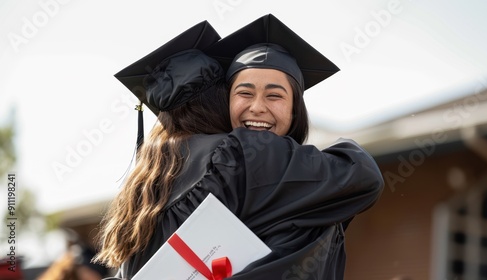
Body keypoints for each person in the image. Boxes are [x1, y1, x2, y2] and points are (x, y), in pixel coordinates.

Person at [94, 18, 383, 280]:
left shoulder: (146, 183)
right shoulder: (240, 152)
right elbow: (362, 175)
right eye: (244, 93)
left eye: (274, 95)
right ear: (221, 100)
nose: (257, 107)